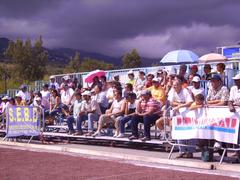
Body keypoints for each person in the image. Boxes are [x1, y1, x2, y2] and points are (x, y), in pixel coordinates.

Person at [168, 79, 195, 158]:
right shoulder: (172, 91)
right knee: (179, 132)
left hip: (188, 114)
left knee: (190, 132)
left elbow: (190, 102)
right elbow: (171, 102)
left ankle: (190, 151)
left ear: (180, 85)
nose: (174, 86)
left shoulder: (185, 91)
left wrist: (180, 105)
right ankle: (182, 151)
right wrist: (180, 104)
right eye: (174, 85)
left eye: (176, 85)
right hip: (177, 114)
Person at [228, 73, 240, 158]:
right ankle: (237, 152)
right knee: (236, 133)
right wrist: (231, 106)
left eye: (237, 80)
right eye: (235, 80)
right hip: (236, 113)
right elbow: (230, 100)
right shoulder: (233, 88)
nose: (235, 82)